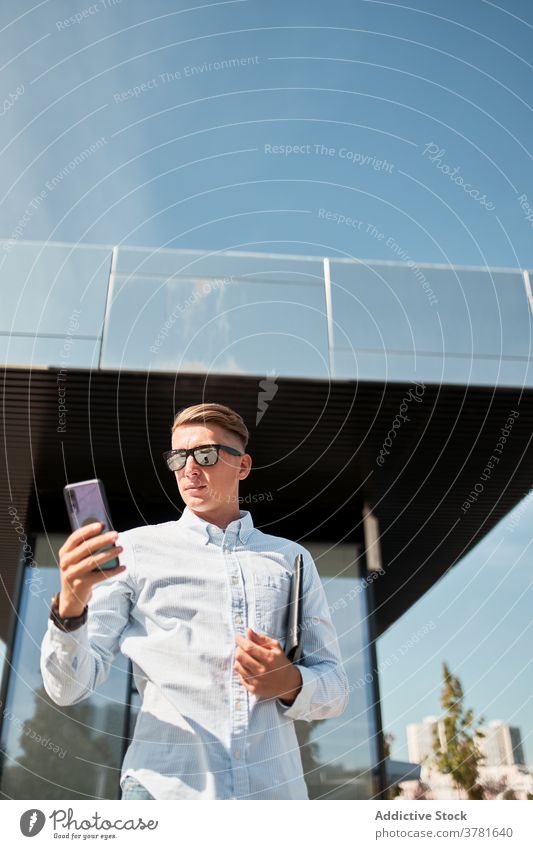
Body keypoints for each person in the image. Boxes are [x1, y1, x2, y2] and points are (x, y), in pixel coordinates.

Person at [40, 402, 349, 800]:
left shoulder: (291, 560)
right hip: (164, 794)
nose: (189, 468)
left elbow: (336, 688)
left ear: (243, 465)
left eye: (205, 454)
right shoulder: (134, 550)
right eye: (178, 457)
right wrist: (70, 608)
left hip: (272, 797)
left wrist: (289, 682)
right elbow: (68, 688)